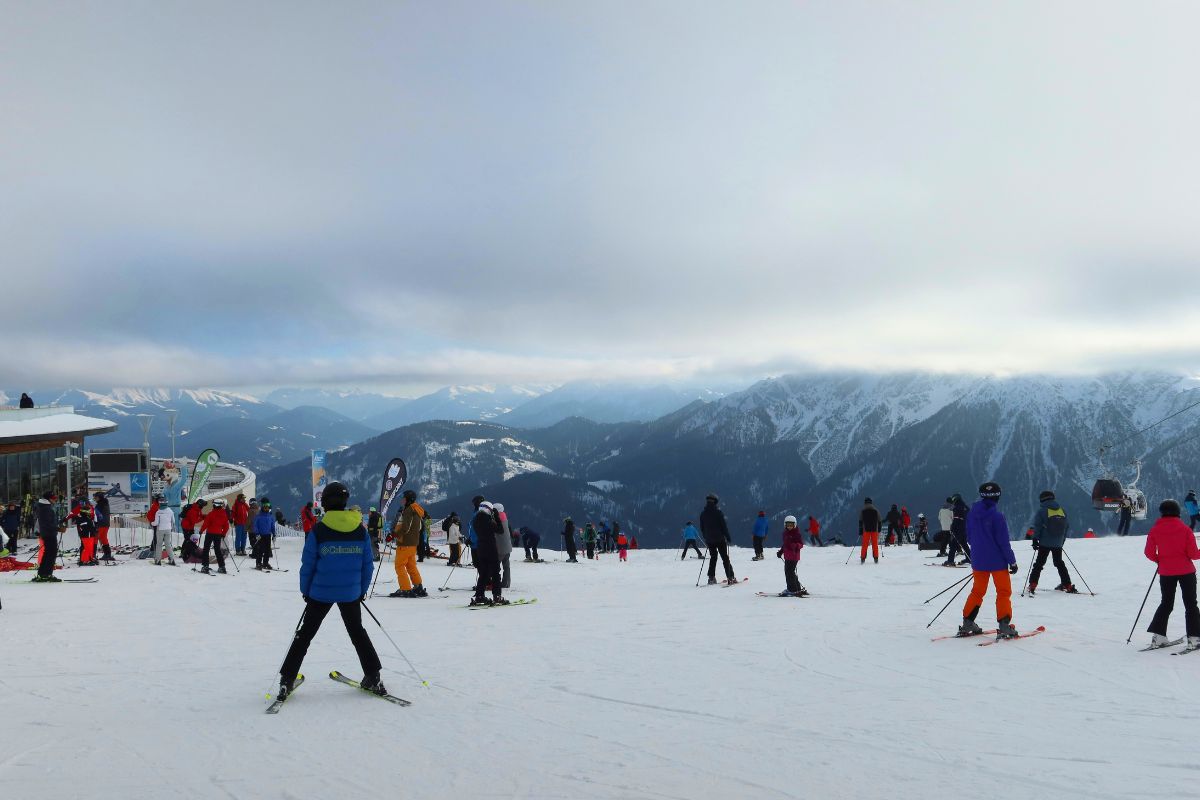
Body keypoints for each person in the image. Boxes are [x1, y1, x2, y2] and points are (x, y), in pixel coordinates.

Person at [277, 481, 385, 701]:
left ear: (325, 503)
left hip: (320, 593)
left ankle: (287, 679)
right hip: (350, 593)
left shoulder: (319, 529)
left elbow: (308, 564)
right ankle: (373, 676)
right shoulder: (360, 530)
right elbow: (367, 565)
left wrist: (305, 591)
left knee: (304, 635)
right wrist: (361, 590)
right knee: (358, 633)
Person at [958, 482, 1019, 640]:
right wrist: (1012, 561)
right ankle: (1005, 625)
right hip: (997, 562)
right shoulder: (997, 517)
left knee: (977, 592)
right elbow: (1003, 543)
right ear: (998, 496)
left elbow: (969, 536)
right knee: (1003, 592)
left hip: (978, 560)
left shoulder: (972, 514)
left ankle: (967, 623)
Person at [1144, 499, 1200, 650]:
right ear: (1178, 513)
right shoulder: (1185, 530)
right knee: (1190, 604)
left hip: (1166, 572)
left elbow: (1148, 552)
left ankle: (1159, 637)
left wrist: (1160, 560)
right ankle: (1194, 638)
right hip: (1186, 572)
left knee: (1166, 603)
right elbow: (1194, 554)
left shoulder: (1155, 530)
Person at [1027, 490, 1075, 595]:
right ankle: (1068, 585)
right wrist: (1061, 542)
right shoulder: (1062, 511)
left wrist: (1035, 540)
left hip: (1045, 543)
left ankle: (1032, 585)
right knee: (1059, 563)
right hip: (1058, 543)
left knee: (1039, 564)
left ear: (1042, 500)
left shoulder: (1042, 511)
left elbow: (1038, 526)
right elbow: (1066, 528)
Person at [389, 489, 426, 597]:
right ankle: (418, 586)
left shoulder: (409, 510)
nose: (402, 500)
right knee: (411, 566)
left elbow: (405, 528)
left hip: (405, 543)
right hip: (413, 543)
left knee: (399, 566)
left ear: (408, 500)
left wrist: (394, 534)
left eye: (404, 498)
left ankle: (405, 589)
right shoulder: (417, 510)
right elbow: (419, 527)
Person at [470, 496, 506, 606]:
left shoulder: (475, 520)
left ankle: (479, 596)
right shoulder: (488, 520)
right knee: (495, 572)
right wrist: (496, 516)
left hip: (480, 548)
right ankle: (497, 596)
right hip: (490, 547)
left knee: (483, 573)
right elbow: (500, 530)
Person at [700, 494, 737, 585]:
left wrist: (706, 537)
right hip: (720, 539)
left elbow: (702, 528)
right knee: (725, 557)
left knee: (713, 557)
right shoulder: (718, 512)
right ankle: (730, 577)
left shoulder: (703, 514)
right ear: (715, 502)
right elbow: (723, 526)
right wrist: (728, 537)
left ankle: (711, 578)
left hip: (709, 540)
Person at [31, 491, 61, 582]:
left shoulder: (44, 507)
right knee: (51, 553)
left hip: (48, 533)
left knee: (48, 553)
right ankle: (46, 574)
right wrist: (58, 529)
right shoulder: (46, 508)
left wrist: (57, 527)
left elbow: (49, 522)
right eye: (53, 498)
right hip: (49, 533)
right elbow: (47, 523)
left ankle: (43, 574)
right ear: (49, 499)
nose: (55, 500)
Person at [777, 515, 807, 596]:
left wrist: (795, 545)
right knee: (791, 572)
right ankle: (797, 588)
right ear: (785, 525)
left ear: (795, 525)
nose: (789, 527)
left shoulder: (796, 534)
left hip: (794, 556)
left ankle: (792, 589)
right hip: (787, 556)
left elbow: (801, 544)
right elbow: (785, 544)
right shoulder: (785, 533)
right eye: (788, 525)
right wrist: (781, 552)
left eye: (791, 525)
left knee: (789, 572)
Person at [199, 498, 230, 574]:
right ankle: (222, 567)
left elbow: (206, 524)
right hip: (218, 534)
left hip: (210, 534)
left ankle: (205, 566)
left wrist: (201, 530)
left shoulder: (211, 514)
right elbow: (226, 526)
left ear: (215, 505)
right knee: (217, 550)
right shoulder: (224, 514)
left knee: (206, 549)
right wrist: (223, 533)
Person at [943, 494, 970, 567]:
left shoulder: (957, 508)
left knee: (953, 544)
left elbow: (957, 519)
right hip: (965, 528)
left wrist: (952, 528)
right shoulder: (965, 507)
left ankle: (950, 561)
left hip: (958, 528)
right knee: (964, 543)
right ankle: (969, 558)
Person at [494, 502, 513, 588]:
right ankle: (506, 583)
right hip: (507, 546)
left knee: (495, 566)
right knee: (506, 566)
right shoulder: (504, 517)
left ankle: (495, 583)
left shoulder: (496, 519)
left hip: (500, 548)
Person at [252, 500, 276, 570]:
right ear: (262, 508)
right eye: (265, 508)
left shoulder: (271, 516)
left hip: (268, 535)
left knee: (267, 550)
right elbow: (255, 526)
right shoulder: (258, 516)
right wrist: (257, 534)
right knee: (261, 550)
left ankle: (265, 563)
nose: (266, 509)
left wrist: (274, 534)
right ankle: (258, 563)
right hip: (260, 536)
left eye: (267, 508)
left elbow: (272, 526)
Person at [152, 501, 178, 565]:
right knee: (168, 545)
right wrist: (170, 527)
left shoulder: (158, 512)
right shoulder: (170, 511)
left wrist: (152, 523)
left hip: (160, 529)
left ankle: (158, 560)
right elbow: (173, 521)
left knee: (159, 545)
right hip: (168, 529)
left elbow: (156, 523)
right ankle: (172, 560)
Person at [859, 498, 881, 564]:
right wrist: (879, 529)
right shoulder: (876, 510)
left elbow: (860, 521)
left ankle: (863, 558)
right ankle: (876, 558)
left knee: (864, 544)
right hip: (875, 530)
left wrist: (860, 530)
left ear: (865, 503)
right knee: (875, 544)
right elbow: (879, 520)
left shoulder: (863, 511)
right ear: (871, 503)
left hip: (866, 530)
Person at [93, 493, 113, 562]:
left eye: (95, 497)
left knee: (95, 538)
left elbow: (96, 514)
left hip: (100, 524)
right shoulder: (105, 503)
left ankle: (93, 555)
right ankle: (107, 554)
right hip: (106, 524)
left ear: (99, 497)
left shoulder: (100, 505)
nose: (94, 499)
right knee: (103, 538)